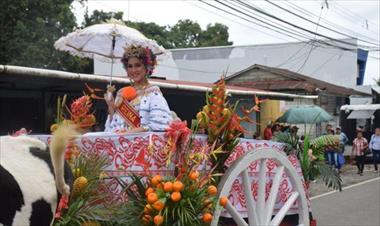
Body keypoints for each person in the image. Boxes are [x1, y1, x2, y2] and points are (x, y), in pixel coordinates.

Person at [104, 45, 172, 133]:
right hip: (121, 144)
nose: (133, 70)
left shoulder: (153, 92)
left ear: (147, 67)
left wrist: (130, 133)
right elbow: (114, 125)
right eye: (130, 66)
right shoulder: (121, 93)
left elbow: (160, 124)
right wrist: (111, 105)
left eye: (138, 65)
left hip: (142, 144)